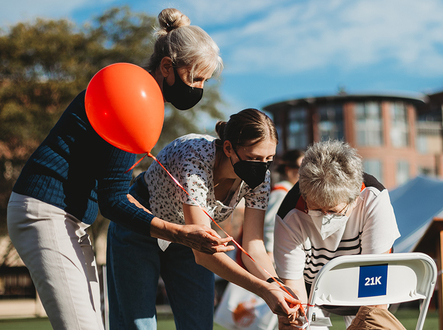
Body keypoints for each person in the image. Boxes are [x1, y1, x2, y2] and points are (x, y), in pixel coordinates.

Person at [6, 8, 232, 330]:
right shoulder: (131, 95)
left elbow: (112, 188)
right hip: (45, 213)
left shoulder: (144, 96)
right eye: (195, 78)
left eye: (205, 81)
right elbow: (113, 200)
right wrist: (181, 233)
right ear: (167, 67)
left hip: (71, 219)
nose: (199, 88)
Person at [107, 108, 300, 329]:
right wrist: (263, 290)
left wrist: (276, 286)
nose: (262, 167)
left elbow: (253, 247)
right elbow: (203, 254)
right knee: (138, 324)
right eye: (254, 158)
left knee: (198, 324)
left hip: (191, 239)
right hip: (143, 227)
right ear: (228, 148)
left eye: (268, 159)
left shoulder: (260, 179)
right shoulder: (194, 157)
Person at [273, 140, 404, 330]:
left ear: (353, 200)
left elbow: (375, 295)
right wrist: (298, 321)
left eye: (334, 211)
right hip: (312, 289)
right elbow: (296, 296)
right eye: (317, 209)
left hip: (362, 284)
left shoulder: (373, 198)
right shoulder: (289, 215)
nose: (325, 217)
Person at [263, 149, 304, 261]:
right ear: (289, 170)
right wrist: (270, 253)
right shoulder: (281, 192)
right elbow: (270, 225)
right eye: (302, 168)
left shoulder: (289, 192)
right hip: (275, 256)